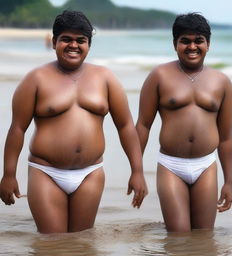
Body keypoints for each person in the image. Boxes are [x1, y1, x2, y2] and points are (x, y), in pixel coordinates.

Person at [0, 10, 147, 233]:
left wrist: (137, 171)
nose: (73, 45)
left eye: (81, 40)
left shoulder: (105, 78)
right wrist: (8, 175)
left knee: (81, 242)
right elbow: (17, 129)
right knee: (53, 244)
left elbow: (125, 126)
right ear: (54, 42)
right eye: (66, 39)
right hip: (45, 172)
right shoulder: (36, 79)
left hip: (90, 173)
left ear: (89, 44)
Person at [136, 13, 232, 232]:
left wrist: (228, 182)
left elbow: (226, 137)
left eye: (198, 40)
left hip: (206, 165)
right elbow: (143, 125)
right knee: (178, 236)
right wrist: (137, 171)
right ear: (175, 44)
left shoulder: (222, 82)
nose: (192, 46)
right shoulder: (159, 76)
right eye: (185, 41)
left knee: (203, 237)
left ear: (208, 44)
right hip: (172, 165)